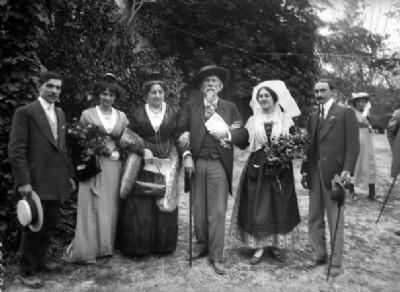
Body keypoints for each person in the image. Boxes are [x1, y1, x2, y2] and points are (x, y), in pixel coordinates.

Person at [177, 65, 249, 275]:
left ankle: (216, 254)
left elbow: (243, 136)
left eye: (214, 81)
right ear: (201, 87)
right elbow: (180, 131)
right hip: (196, 163)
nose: (210, 84)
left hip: (219, 163)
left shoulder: (230, 107)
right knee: (198, 209)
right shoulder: (191, 106)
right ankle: (201, 244)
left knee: (217, 211)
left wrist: (227, 135)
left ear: (220, 86)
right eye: (206, 81)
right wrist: (187, 155)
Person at [8, 71, 76, 289]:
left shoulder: (61, 113)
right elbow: (16, 150)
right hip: (35, 181)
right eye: (50, 86)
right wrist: (24, 182)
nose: (54, 91)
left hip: (56, 180)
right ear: (40, 86)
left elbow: (63, 149)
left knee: (50, 224)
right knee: (32, 226)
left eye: (58, 88)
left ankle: (40, 261)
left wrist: (70, 176)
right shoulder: (26, 112)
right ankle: (26, 271)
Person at [230, 80, 301, 265]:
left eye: (266, 95)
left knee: (279, 204)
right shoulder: (253, 120)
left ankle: (276, 245)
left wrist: (288, 151)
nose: (263, 99)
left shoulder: (286, 120)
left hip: (280, 167)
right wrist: (230, 134)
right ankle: (259, 246)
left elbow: (296, 142)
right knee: (258, 205)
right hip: (258, 166)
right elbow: (244, 140)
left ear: (274, 98)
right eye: (260, 96)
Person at [64, 81, 128, 263]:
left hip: (114, 164)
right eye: (104, 94)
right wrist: (99, 149)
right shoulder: (87, 114)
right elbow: (79, 139)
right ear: (98, 95)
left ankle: (107, 246)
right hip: (93, 162)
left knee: (110, 203)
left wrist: (118, 152)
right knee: (91, 201)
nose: (107, 98)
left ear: (116, 97)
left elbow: (126, 140)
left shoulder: (122, 116)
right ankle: (88, 248)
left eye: (111, 95)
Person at [301, 79, 359, 277]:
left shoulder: (345, 113)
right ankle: (318, 254)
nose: (319, 94)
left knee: (335, 218)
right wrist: (305, 170)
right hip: (315, 172)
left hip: (335, 173)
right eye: (316, 91)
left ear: (331, 92)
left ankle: (336, 262)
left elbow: (353, 145)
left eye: (323, 90)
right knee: (314, 216)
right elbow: (310, 146)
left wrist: (348, 169)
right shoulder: (313, 116)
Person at [116, 78, 180, 255]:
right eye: (153, 92)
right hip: (143, 162)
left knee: (163, 198)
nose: (157, 95)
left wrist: (185, 150)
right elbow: (126, 137)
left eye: (160, 92)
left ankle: (163, 246)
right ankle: (138, 247)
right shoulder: (138, 114)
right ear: (147, 95)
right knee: (142, 201)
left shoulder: (173, 113)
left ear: (164, 93)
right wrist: (142, 150)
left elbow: (178, 134)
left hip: (165, 161)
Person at [347, 92, 377, 201]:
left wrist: (370, 127)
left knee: (370, 164)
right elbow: (359, 121)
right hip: (356, 140)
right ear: (355, 103)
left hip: (367, 142)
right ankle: (351, 190)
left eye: (364, 102)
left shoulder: (366, 113)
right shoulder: (352, 112)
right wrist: (365, 112)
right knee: (355, 165)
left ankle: (372, 193)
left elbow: (367, 124)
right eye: (359, 101)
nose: (361, 104)